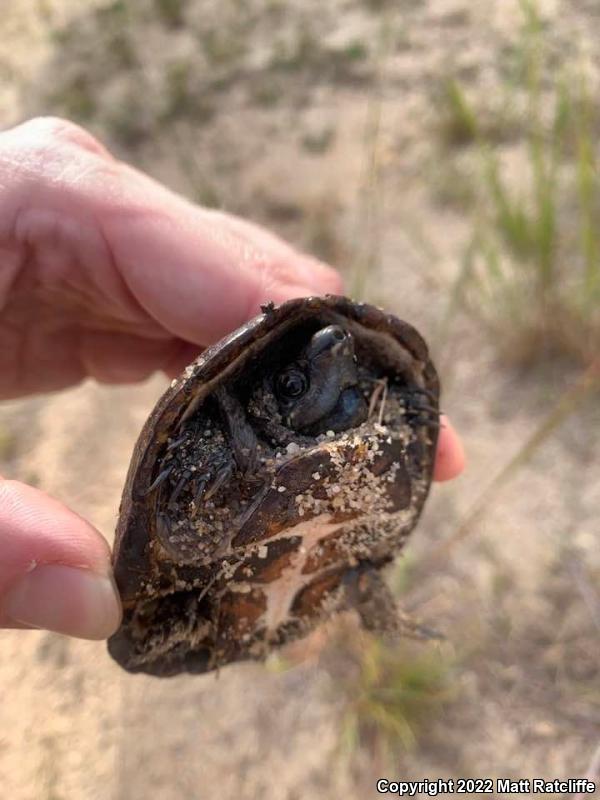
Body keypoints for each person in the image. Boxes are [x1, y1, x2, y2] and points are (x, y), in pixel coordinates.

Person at [0, 117, 465, 641]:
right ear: (259, 410)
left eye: (350, 373)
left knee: (361, 570)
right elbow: (180, 538)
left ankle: (372, 607)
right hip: (203, 606)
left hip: (333, 566)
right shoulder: (218, 440)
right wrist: (212, 466)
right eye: (294, 385)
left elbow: (408, 413)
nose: (338, 358)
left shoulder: (380, 403)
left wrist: (406, 408)